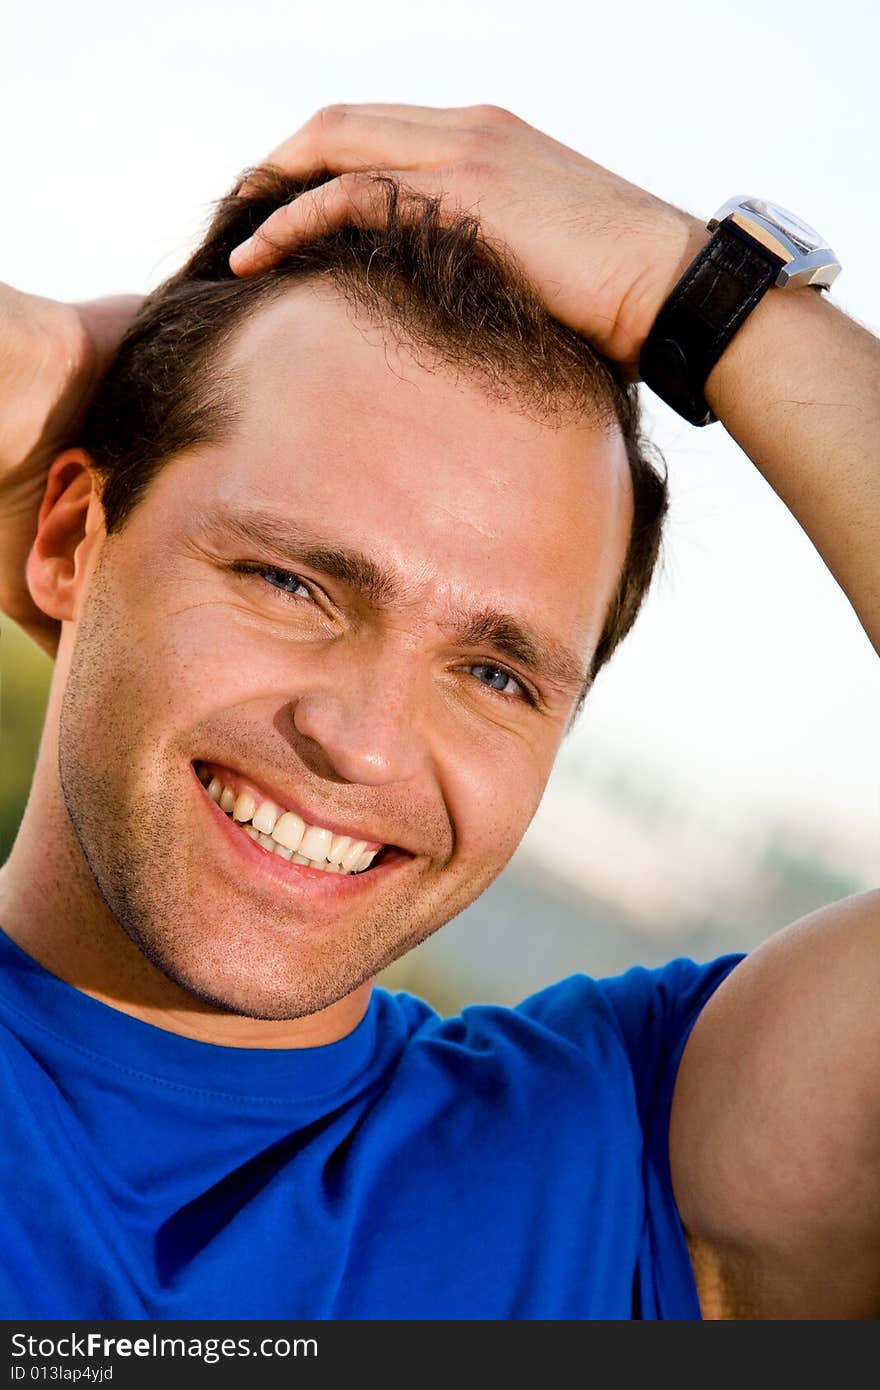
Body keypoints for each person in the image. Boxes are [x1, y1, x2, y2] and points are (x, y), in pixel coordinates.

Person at [0, 103, 877, 1321]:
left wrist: (701, 288)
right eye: (289, 581)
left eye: (495, 674)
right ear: (66, 541)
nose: (360, 741)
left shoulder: (632, 1171)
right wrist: (46, 363)